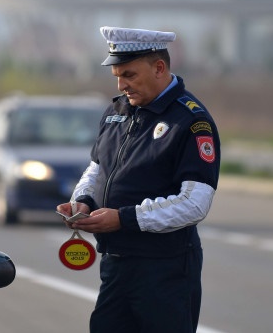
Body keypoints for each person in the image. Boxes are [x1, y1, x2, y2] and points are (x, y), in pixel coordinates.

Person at [57, 26, 220, 333]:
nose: (122, 85)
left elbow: (195, 203)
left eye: (129, 75)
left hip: (165, 268)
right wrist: (82, 201)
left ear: (159, 68)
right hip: (116, 264)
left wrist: (125, 219)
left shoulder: (190, 120)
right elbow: (97, 168)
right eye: (117, 76)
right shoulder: (116, 110)